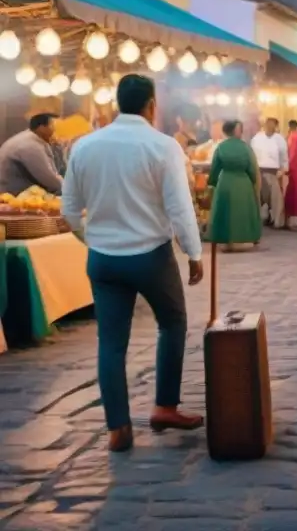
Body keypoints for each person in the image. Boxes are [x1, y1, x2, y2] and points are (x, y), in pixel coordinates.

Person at [61, 74, 205, 453]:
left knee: (110, 344)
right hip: (151, 256)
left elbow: (69, 211)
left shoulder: (85, 146)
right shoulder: (162, 146)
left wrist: (92, 239)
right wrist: (193, 252)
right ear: (152, 105)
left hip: (104, 260)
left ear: (116, 103)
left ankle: (118, 428)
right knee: (172, 323)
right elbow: (178, 207)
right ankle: (164, 405)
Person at [205, 120, 262, 252]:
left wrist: (212, 182)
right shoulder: (246, 147)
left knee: (225, 212)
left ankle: (225, 240)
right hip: (243, 182)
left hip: (225, 182)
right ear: (237, 131)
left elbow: (215, 168)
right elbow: (252, 168)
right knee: (243, 212)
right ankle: (245, 237)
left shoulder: (221, 147)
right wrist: (253, 182)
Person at [0, 112, 63, 195]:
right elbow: (49, 179)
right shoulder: (30, 145)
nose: (54, 130)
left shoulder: (33, 140)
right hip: (12, 196)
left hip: (17, 193)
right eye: (52, 126)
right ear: (41, 127)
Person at [250, 118, 288, 229]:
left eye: (272, 125)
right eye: (268, 124)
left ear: (276, 126)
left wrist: (282, 170)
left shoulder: (279, 140)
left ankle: (276, 221)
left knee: (275, 199)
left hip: (273, 172)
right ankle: (256, 221)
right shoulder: (257, 138)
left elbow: (284, 157)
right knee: (258, 198)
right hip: (259, 171)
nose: (269, 127)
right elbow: (252, 154)